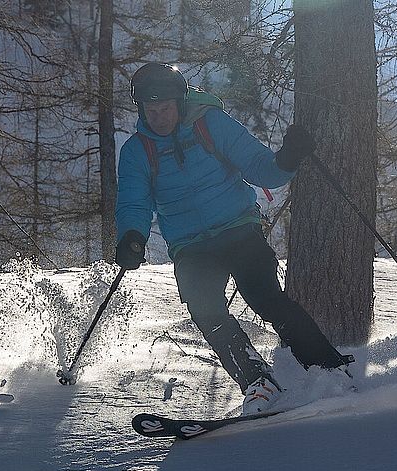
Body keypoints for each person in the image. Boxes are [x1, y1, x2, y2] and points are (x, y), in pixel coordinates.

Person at [114, 63, 351, 415]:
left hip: (238, 228)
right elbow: (134, 201)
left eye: (165, 108)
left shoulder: (211, 124)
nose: (159, 117)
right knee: (206, 309)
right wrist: (132, 236)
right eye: (151, 111)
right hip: (190, 245)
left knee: (265, 298)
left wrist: (287, 158)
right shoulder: (137, 151)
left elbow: (259, 166)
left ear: (180, 102)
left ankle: (330, 368)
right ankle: (257, 381)